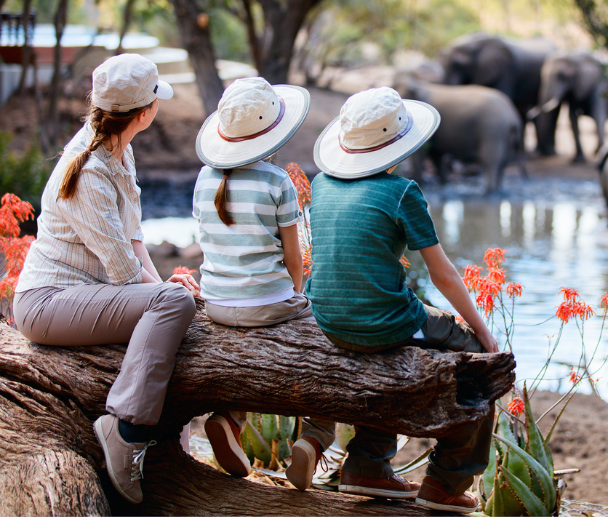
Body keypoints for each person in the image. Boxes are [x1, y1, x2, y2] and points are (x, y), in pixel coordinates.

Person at [12, 54, 200, 504]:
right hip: (47, 302)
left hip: (83, 295)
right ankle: (125, 429)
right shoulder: (90, 169)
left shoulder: (120, 150)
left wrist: (164, 284)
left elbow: (133, 239)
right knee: (175, 306)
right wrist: (166, 297)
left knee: (175, 301)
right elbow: (120, 271)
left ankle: (167, 449)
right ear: (144, 112)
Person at [308, 87, 500, 513]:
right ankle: (447, 480)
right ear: (398, 144)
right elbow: (443, 274)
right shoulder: (401, 191)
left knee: (388, 348)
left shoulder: (321, 183)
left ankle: (367, 464)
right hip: (383, 322)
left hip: (327, 319)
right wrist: (483, 333)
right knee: (479, 366)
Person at [192, 76, 335, 489]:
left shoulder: (204, 179)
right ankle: (315, 436)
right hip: (270, 303)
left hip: (217, 302)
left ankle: (229, 418)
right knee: (326, 347)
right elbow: (293, 258)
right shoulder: (277, 182)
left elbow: (207, 243)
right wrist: (296, 296)